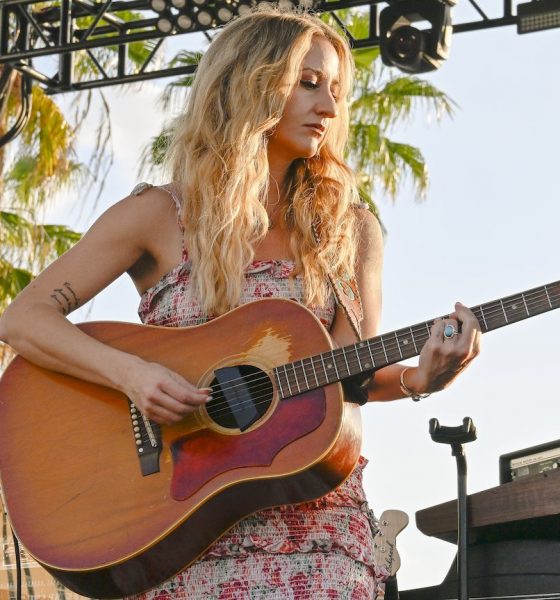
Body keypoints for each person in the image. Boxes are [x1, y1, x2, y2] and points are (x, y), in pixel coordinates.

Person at [0, 7, 481, 599]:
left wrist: (420, 377)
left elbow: (351, 376)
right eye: (307, 84)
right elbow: (24, 319)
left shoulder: (352, 231)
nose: (329, 108)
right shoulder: (159, 215)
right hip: (179, 531)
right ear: (250, 81)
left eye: (334, 89)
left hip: (318, 530)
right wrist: (131, 375)